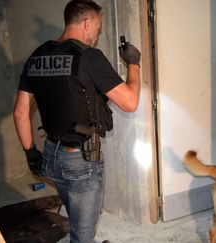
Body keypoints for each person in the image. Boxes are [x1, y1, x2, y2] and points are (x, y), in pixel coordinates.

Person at [13, 0, 141, 242]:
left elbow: (20, 112)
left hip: (50, 155)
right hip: (80, 162)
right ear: (86, 22)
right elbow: (130, 102)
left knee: (79, 218)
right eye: (98, 27)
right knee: (82, 235)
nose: (97, 34)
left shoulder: (37, 56)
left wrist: (30, 152)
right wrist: (133, 63)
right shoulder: (89, 57)